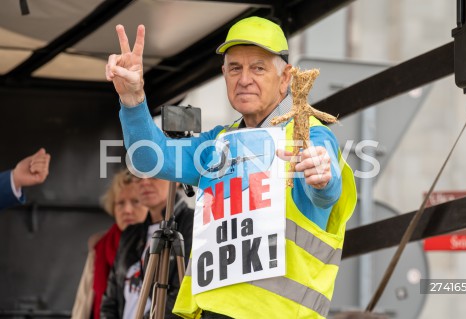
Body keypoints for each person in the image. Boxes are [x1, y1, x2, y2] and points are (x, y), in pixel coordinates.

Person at [105, 16, 357, 319]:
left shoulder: (309, 134)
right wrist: (132, 99)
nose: (244, 79)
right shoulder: (219, 142)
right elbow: (148, 158)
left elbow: (325, 192)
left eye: (258, 68)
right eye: (235, 68)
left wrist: (322, 180)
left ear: (286, 78)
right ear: (224, 74)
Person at [101, 175, 194, 319]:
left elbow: (183, 295)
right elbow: (110, 299)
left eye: (155, 174)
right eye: (137, 176)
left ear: (176, 179)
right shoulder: (130, 234)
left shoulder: (192, 224)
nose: (145, 181)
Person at [72, 169, 148, 319]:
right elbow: (83, 303)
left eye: (135, 201)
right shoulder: (100, 247)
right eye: (120, 203)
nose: (127, 210)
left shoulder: (161, 244)